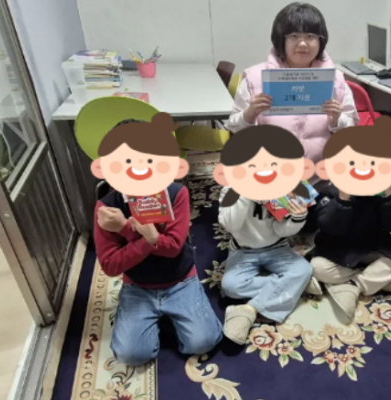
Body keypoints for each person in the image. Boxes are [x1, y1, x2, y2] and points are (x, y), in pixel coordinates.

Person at [92, 114, 222, 366]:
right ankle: (153, 319)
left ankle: (179, 313)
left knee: (203, 342)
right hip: (138, 285)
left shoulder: (176, 192)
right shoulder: (107, 207)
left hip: (181, 279)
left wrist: (127, 230)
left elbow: (173, 248)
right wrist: (145, 237)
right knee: (131, 355)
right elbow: (110, 265)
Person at [226, 2, 359, 231]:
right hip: (271, 175)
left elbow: (351, 128)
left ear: (321, 40)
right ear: (281, 40)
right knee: (264, 228)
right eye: (294, 36)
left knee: (331, 222)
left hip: (319, 178)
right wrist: (249, 114)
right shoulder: (256, 78)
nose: (303, 43)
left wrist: (337, 120)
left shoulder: (335, 79)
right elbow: (234, 128)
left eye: (311, 36)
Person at [213, 124, 315, 345]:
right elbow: (230, 225)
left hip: (277, 247)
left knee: (303, 269)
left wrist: (297, 218)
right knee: (231, 287)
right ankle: (294, 285)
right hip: (243, 250)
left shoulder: (283, 190)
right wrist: (243, 191)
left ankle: (249, 310)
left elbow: (281, 230)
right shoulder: (230, 191)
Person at [307, 116, 391, 320]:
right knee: (317, 268)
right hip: (338, 249)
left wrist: (388, 196)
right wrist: (343, 200)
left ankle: (355, 285)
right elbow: (328, 226)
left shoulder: (383, 193)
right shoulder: (331, 192)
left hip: (374, 245)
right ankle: (377, 280)